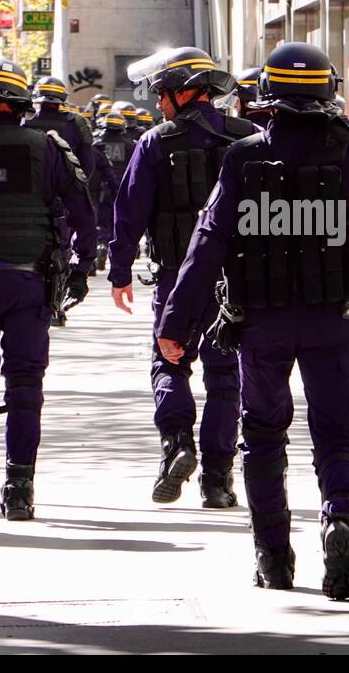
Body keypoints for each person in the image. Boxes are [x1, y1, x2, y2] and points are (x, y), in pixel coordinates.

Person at [157, 42, 349, 600]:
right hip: (331, 322)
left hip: (260, 327)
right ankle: (339, 518)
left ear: (266, 95)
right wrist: (347, 219)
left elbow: (206, 246)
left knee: (265, 438)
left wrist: (176, 325)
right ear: (328, 92)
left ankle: (273, 558)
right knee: (337, 434)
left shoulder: (242, 158)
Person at [0, 58, 98, 521]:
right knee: (25, 385)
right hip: (31, 282)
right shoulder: (49, 148)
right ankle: (19, 487)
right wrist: (82, 267)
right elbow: (82, 209)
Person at [110, 46, 256, 508]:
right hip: (236, 281)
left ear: (181, 92)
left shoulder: (156, 142)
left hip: (177, 278)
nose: (158, 105)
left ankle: (177, 445)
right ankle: (218, 479)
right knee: (225, 377)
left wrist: (119, 271)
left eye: (162, 95)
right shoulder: (249, 137)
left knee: (169, 362)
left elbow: (129, 212)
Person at [93, 106, 134, 270]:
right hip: (121, 190)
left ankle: (101, 245)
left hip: (100, 191)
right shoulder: (130, 146)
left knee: (101, 223)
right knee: (117, 222)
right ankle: (114, 252)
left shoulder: (96, 145)